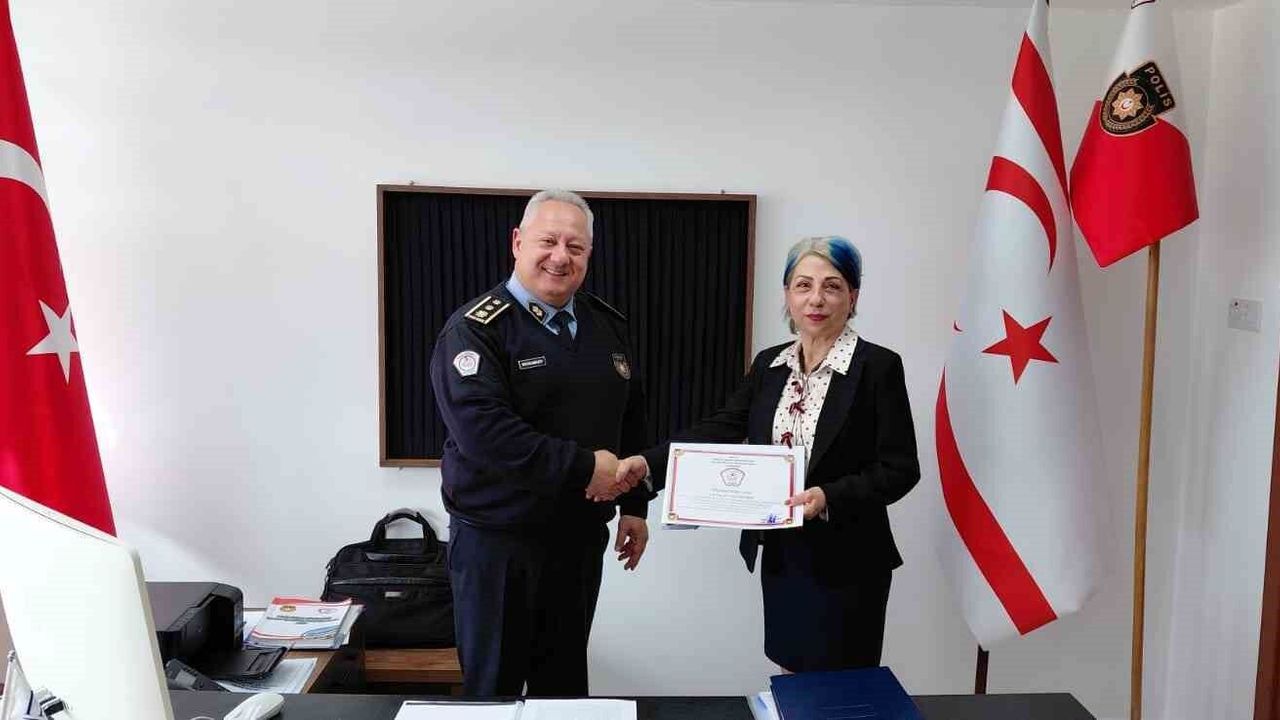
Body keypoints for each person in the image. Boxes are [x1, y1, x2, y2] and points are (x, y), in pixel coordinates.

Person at [616, 236, 920, 672]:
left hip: (850, 559)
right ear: (787, 294)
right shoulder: (769, 365)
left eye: (832, 286)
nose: (816, 299)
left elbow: (900, 468)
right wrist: (649, 463)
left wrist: (828, 497)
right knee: (791, 674)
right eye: (803, 285)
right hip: (783, 554)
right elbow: (722, 427)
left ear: (852, 297)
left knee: (842, 687)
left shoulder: (878, 367)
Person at [429, 190, 649, 697]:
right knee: (494, 693)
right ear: (517, 242)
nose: (560, 256)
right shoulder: (474, 331)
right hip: (497, 546)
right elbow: (485, 436)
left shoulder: (606, 325)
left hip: (578, 542)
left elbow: (630, 418)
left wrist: (635, 505)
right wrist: (584, 469)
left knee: (564, 692)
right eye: (548, 241)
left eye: (576, 246)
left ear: (589, 254)